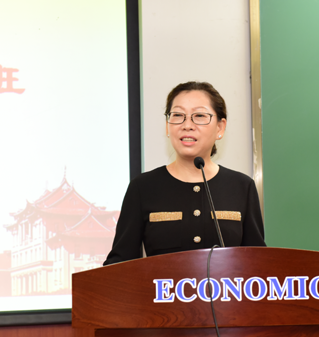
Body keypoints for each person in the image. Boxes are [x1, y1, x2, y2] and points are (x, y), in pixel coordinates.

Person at [103, 81, 266, 265]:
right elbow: (119, 264)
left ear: (220, 128)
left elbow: (258, 263)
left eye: (200, 116)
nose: (187, 125)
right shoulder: (143, 188)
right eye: (178, 115)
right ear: (167, 126)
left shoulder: (241, 187)